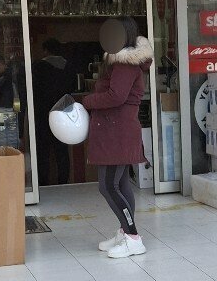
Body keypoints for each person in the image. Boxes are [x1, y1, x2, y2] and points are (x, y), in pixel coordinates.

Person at [82, 17, 152, 259]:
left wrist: (88, 101)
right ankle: (125, 232)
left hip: (116, 133)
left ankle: (133, 238)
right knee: (120, 184)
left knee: (108, 186)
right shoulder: (123, 61)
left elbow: (116, 96)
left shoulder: (124, 63)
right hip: (118, 131)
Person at [32, 38, 72, 186]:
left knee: (43, 151)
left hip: (42, 113)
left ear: (45, 50)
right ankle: (63, 181)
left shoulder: (38, 66)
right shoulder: (68, 66)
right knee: (62, 151)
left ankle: (43, 183)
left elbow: (34, 90)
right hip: (63, 112)